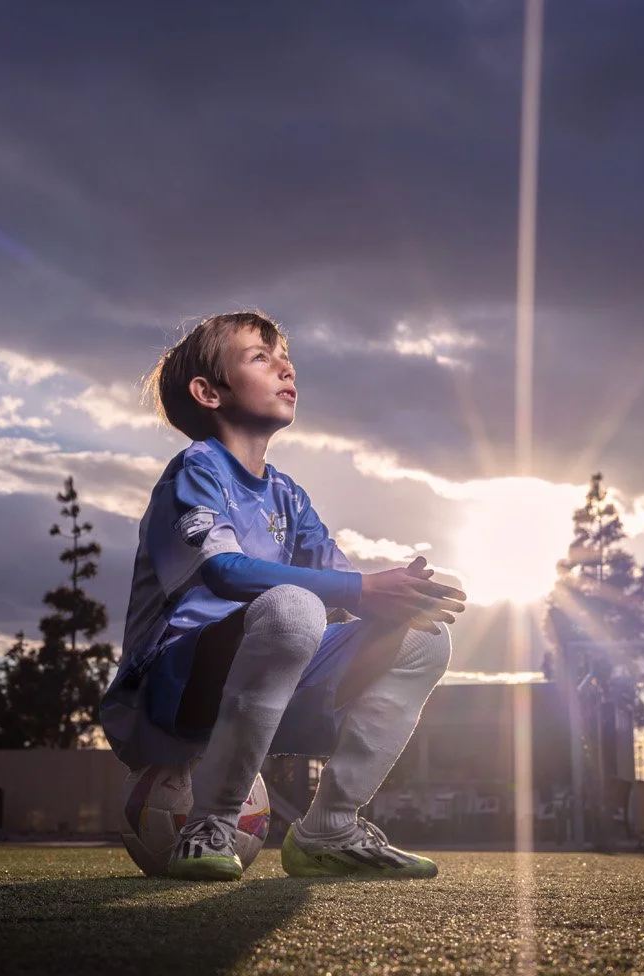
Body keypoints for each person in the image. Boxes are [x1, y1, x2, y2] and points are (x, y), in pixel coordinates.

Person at [98, 311, 465, 881]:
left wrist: (400, 596)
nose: (286, 367)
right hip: (170, 699)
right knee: (294, 606)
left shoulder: (287, 495)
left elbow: (346, 588)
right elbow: (223, 572)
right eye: (260, 357)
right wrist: (362, 589)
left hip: (266, 689)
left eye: (285, 356)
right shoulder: (194, 472)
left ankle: (331, 829)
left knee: (423, 637)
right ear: (208, 392)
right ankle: (212, 823)